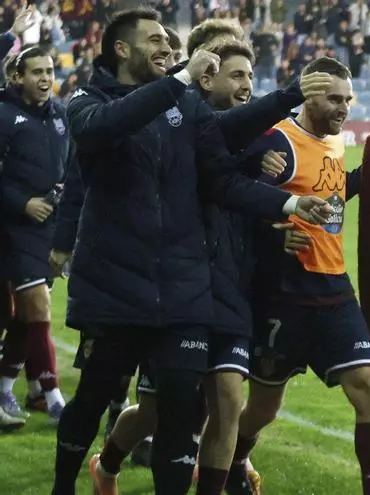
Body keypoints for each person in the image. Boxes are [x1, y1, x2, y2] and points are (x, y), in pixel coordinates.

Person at [52, 8, 331, 495]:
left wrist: (288, 202)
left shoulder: (187, 108)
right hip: (115, 287)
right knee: (93, 398)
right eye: (155, 40)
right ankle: (64, 486)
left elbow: (222, 176)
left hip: (182, 291)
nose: (167, 47)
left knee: (182, 411)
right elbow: (104, 128)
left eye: (169, 41)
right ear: (122, 49)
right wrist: (180, 79)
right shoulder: (88, 100)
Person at [229, 56, 370, 495]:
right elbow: (233, 203)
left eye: (348, 99)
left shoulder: (334, 141)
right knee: (264, 408)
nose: (344, 108)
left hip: (335, 287)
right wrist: (273, 235)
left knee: (369, 388)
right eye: (334, 99)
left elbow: (329, 195)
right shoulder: (275, 143)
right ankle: (234, 461)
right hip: (283, 292)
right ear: (310, 96)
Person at [0, 46, 71, 426]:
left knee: (26, 318)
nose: (45, 78)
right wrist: (22, 202)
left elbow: (69, 165)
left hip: (50, 225)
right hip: (13, 227)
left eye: (49, 71)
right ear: (17, 77)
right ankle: (54, 398)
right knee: (38, 306)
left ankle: (4, 386)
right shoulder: (4, 114)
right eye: (36, 72)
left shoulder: (60, 113)